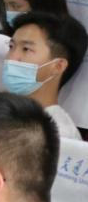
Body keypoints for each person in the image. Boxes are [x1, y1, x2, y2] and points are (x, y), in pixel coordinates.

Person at [5, 12, 84, 140]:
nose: (11, 58)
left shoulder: (59, 133)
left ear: (58, 66)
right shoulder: (0, 114)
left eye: (26, 49)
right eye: (11, 46)